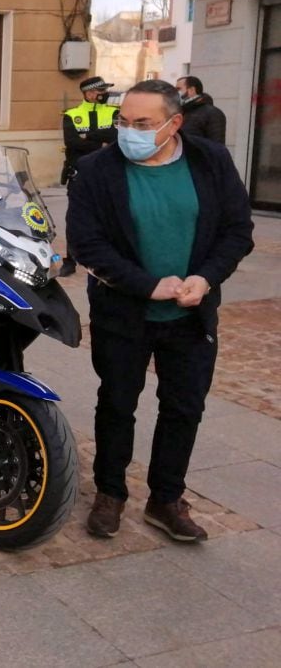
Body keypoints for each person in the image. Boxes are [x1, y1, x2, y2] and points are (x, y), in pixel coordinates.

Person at [67, 79, 253, 544]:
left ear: (174, 124)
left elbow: (237, 230)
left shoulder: (211, 162)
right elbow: (86, 244)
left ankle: (166, 499)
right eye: (123, 121)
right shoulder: (95, 170)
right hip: (122, 314)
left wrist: (205, 278)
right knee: (116, 404)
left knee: (184, 408)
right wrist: (148, 286)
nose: (129, 131)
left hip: (191, 315)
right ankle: (110, 494)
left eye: (142, 123)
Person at [59, 75, 119, 277]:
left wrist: (88, 137)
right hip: (79, 174)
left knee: (109, 216)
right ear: (90, 93)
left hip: (108, 173)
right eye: (101, 91)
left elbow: (116, 138)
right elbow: (72, 143)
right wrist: (100, 142)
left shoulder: (114, 112)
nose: (105, 94)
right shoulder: (71, 114)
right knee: (75, 217)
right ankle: (70, 260)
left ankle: (107, 257)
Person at [176, 75, 227, 144]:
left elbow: (217, 147)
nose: (175, 93)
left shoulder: (213, 113)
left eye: (178, 89)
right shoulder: (180, 112)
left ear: (191, 90)